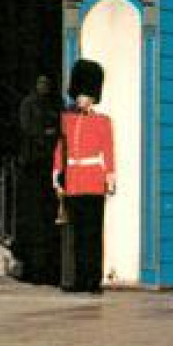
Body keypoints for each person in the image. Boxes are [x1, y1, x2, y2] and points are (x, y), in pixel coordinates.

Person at [53, 59, 114, 295]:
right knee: (77, 235)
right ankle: (79, 279)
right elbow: (61, 149)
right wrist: (58, 174)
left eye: (85, 96)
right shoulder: (67, 120)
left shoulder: (103, 121)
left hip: (93, 181)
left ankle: (93, 280)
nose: (80, 99)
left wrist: (109, 177)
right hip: (74, 182)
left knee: (93, 234)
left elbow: (107, 151)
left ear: (93, 97)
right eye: (78, 95)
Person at [13, 74, 62, 285]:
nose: (45, 86)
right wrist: (45, 134)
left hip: (45, 165)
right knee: (34, 218)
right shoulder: (28, 104)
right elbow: (28, 129)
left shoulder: (51, 104)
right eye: (41, 82)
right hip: (33, 165)